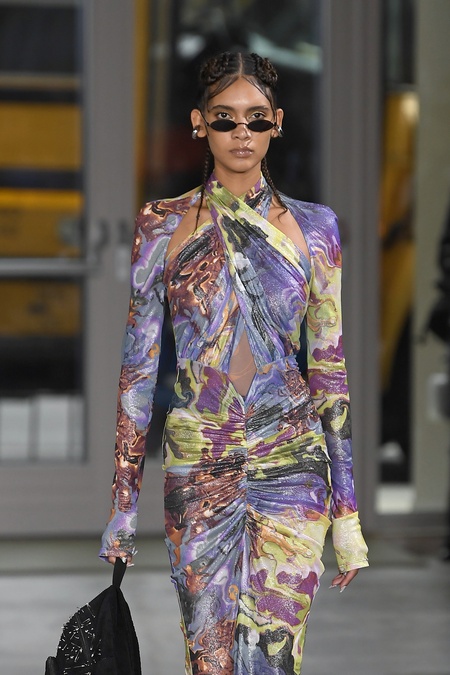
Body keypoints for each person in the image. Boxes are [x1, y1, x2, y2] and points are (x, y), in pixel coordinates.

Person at [100, 51, 369, 675]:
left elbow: (329, 370)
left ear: (278, 123)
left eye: (256, 119)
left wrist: (347, 514)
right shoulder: (161, 225)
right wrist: (122, 505)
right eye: (225, 119)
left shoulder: (316, 227)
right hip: (199, 460)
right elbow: (137, 374)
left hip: (293, 464)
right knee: (211, 656)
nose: (241, 133)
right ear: (200, 124)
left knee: (275, 656)